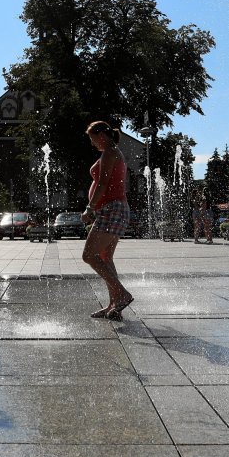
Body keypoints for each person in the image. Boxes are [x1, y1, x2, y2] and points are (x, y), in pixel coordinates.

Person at [82, 120, 134, 320]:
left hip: (112, 209)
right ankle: (114, 305)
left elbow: (103, 184)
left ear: (101, 135)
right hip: (114, 208)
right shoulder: (113, 152)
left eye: (93, 139)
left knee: (89, 255)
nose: (92, 143)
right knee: (105, 257)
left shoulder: (110, 153)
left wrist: (89, 208)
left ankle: (121, 294)